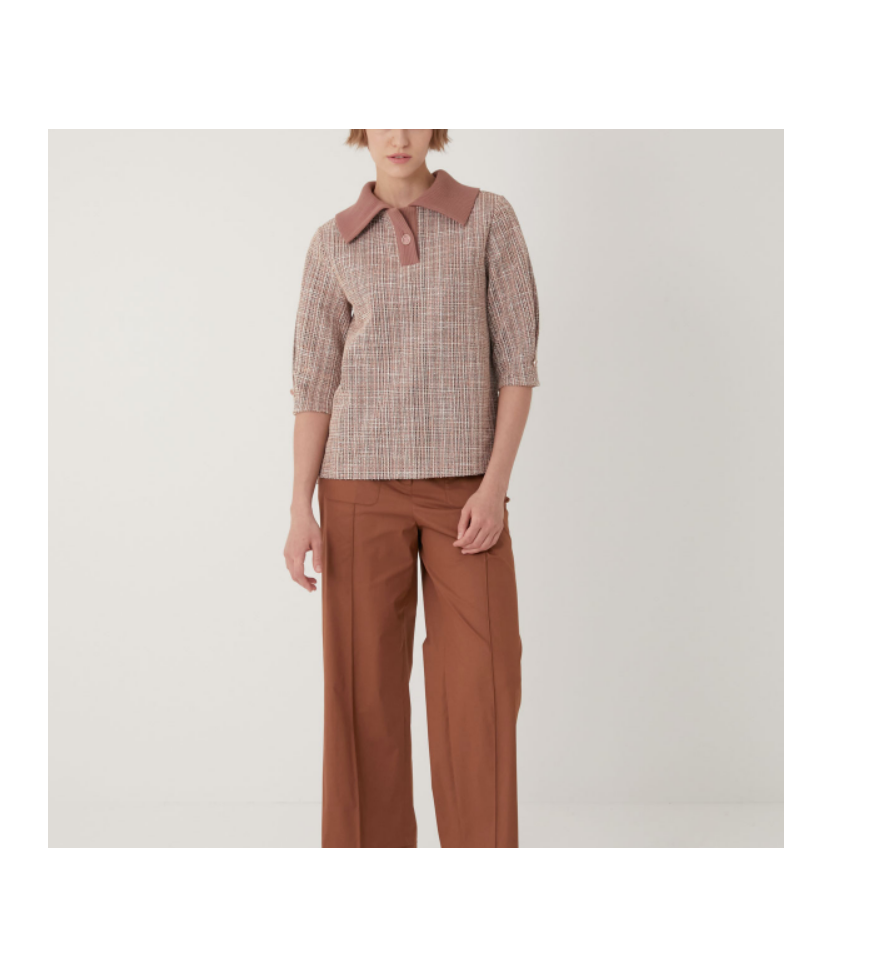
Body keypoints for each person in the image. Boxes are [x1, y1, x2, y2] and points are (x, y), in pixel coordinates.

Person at [285, 129, 540, 848]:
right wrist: (300, 506)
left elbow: (518, 366)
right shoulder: (332, 242)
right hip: (356, 490)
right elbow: (314, 386)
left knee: (482, 693)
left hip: (467, 495)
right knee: (363, 700)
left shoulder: (489, 218)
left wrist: (494, 486)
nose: (398, 137)